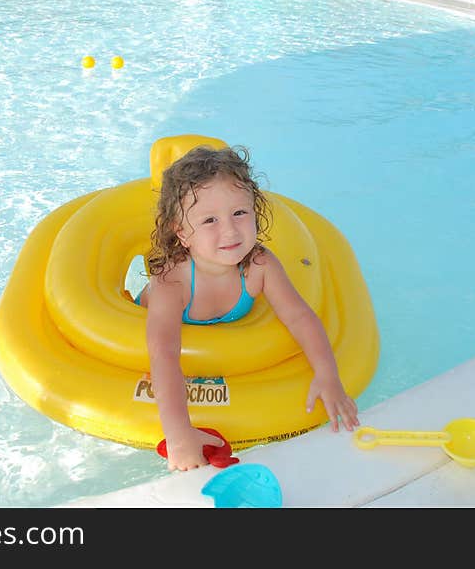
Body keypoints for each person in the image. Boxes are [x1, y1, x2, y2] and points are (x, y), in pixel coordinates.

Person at [137, 144, 359, 471]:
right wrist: (179, 435)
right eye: (210, 220)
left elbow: (299, 317)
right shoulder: (172, 283)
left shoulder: (260, 265)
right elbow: (164, 353)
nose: (230, 230)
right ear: (182, 233)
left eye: (239, 213)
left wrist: (328, 374)